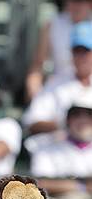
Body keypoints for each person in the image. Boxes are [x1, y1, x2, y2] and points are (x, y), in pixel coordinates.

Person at [22, 19, 92, 152]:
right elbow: (32, 122)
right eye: (77, 51)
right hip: (59, 155)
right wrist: (66, 124)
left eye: (86, 51)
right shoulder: (56, 83)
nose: (81, 57)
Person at [25, 0, 92, 102]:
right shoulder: (53, 25)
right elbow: (37, 67)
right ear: (65, 0)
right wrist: (35, 95)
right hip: (60, 89)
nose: (77, 4)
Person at [30, 95, 92, 199]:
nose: (82, 120)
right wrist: (81, 187)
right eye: (76, 115)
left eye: (89, 115)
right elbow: (39, 183)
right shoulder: (48, 148)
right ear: (68, 120)